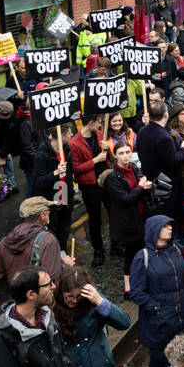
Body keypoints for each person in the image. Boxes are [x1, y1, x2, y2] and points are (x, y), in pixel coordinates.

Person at [129, 215, 184, 367]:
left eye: (170, 225)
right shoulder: (143, 258)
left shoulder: (178, 250)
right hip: (160, 327)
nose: (170, 228)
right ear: (154, 230)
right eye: (165, 226)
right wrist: (157, 309)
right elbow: (137, 292)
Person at [104, 140, 152, 298]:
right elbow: (125, 199)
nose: (125, 156)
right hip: (126, 223)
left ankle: (139, 281)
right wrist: (140, 187)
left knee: (140, 251)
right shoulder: (113, 177)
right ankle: (128, 288)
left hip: (139, 218)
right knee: (131, 254)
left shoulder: (134, 168)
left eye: (127, 152)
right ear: (115, 156)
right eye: (121, 153)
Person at [66, 114, 108, 269]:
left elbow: (106, 158)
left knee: (112, 210)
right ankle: (99, 250)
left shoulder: (99, 135)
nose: (101, 125)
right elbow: (76, 168)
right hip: (89, 185)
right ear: (91, 122)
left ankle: (116, 244)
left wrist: (106, 151)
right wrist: (95, 160)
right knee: (95, 218)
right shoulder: (74, 143)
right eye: (99, 122)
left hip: (104, 179)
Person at [137, 101, 184, 222]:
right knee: (166, 220)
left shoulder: (141, 132)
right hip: (165, 187)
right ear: (166, 115)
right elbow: (174, 160)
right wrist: (183, 149)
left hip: (150, 182)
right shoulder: (164, 137)